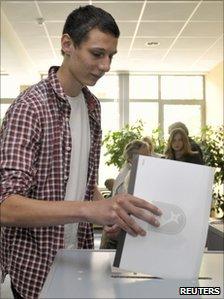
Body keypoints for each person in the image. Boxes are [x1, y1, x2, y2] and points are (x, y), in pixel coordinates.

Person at [0, 6, 162, 299]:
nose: (106, 65)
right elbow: (6, 207)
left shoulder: (92, 107)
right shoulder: (29, 107)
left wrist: (107, 212)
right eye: (97, 53)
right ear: (67, 45)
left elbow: (86, 186)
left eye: (111, 56)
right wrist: (90, 210)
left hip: (79, 260)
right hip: (37, 268)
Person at [100, 140, 150, 249]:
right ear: (131, 158)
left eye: (149, 154)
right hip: (117, 235)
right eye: (144, 156)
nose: (149, 159)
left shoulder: (133, 170)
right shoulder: (128, 177)